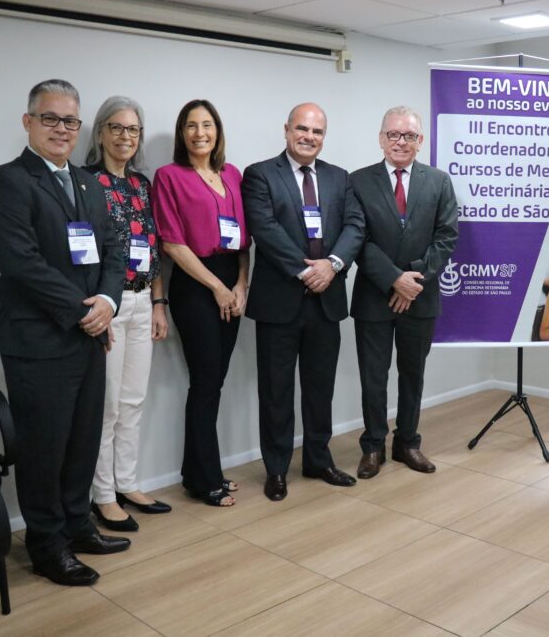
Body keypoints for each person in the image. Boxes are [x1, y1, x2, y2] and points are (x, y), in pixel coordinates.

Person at [0, 79, 129, 587]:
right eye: (50, 118)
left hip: (89, 336)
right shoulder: (5, 182)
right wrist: (85, 312)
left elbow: (113, 248)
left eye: (70, 120)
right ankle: (46, 545)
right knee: (45, 448)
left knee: (83, 441)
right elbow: (22, 263)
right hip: (39, 342)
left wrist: (107, 302)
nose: (61, 129)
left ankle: (78, 525)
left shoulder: (88, 184)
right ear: (28, 122)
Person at [243, 103, 365, 501]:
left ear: (323, 136)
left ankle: (318, 459)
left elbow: (354, 227)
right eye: (302, 128)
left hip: (326, 300)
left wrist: (331, 266)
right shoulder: (260, 174)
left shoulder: (339, 178)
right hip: (280, 300)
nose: (309, 136)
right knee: (276, 390)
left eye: (316, 131)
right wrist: (305, 270)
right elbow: (265, 228)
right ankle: (277, 469)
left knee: (319, 387)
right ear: (286, 130)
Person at [350, 106, 459, 479]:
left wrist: (413, 282)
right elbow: (357, 240)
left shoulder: (439, 181)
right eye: (393, 134)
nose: (401, 141)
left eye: (409, 136)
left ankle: (408, 443)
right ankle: (374, 446)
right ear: (381, 138)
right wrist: (394, 278)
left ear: (420, 141)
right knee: (373, 376)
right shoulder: (358, 182)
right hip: (373, 297)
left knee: (413, 374)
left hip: (421, 297)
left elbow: (447, 237)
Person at [152, 99, 250, 507]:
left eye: (207, 125)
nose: (200, 133)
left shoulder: (232, 174)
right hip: (196, 286)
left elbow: (245, 239)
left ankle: (199, 471)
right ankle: (204, 478)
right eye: (191, 126)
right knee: (205, 383)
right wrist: (217, 287)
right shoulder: (169, 176)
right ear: (182, 133)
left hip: (232, 281)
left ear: (217, 130)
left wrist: (242, 284)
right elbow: (172, 244)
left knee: (216, 382)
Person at [84, 96, 172, 530]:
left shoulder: (142, 185)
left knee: (134, 401)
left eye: (133, 130)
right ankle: (102, 495)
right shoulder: (85, 184)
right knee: (107, 406)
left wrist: (158, 303)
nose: (125, 136)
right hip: (109, 304)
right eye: (116, 128)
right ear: (100, 132)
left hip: (142, 301)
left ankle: (127, 482)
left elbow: (152, 248)